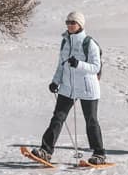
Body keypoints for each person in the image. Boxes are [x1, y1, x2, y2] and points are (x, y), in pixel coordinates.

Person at [26, 11, 107, 166]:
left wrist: (79, 64)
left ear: (80, 25)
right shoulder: (65, 42)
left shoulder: (89, 44)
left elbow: (96, 67)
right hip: (67, 87)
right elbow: (61, 65)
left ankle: (99, 154)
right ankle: (46, 151)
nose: (69, 25)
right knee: (57, 118)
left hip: (87, 88)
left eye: (72, 22)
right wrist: (55, 81)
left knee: (91, 121)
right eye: (67, 22)